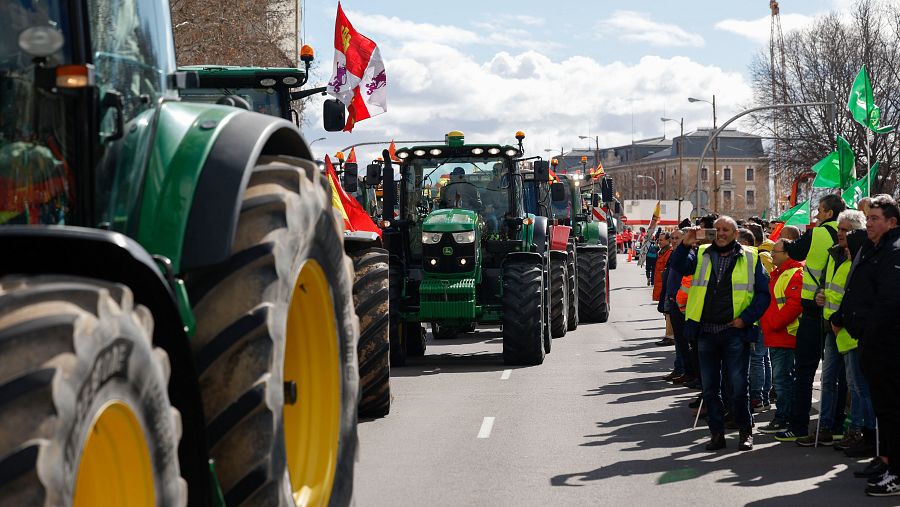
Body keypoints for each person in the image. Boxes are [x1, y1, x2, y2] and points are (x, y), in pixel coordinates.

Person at [677, 217, 771, 451]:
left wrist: (745, 319)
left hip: (735, 332)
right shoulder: (701, 254)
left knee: (739, 386)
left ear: (736, 233)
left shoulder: (751, 256)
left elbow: (763, 295)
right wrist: (684, 244)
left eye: (726, 230)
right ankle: (716, 433)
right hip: (706, 332)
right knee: (710, 388)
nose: (721, 233)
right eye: (717, 229)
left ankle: (745, 431)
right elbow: (678, 266)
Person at [830, 195, 900, 496]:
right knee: (885, 409)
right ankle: (886, 461)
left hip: (887, 344)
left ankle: (895, 473)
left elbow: (888, 302)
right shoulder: (874, 247)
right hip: (872, 342)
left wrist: (868, 332)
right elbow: (857, 286)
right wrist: (842, 314)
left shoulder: (894, 251)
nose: (868, 223)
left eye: (874, 219)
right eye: (867, 218)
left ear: (892, 223)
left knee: (893, 409)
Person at [776, 194, 845, 442]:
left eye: (819, 210)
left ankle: (798, 426)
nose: (816, 214)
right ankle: (836, 426)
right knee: (839, 374)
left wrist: (784, 239)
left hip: (814, 310)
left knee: (804, 370)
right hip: (838, 310)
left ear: (828, 213)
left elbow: (793, 251)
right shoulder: (850, 233)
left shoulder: (818, 233)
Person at [814, 210, 874, 452]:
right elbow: (829, 286)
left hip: (850, 330)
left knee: (855, 384)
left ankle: (856, 430)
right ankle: (826, 428)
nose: (840, 234)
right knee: (828, 381)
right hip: (831, 326)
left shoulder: (863, 257)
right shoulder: (834, 255)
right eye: (839, 229)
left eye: (846, 230)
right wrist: (821, 295)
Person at [758, 239, 803, 435]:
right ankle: (784, 417)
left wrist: (772, 323)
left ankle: (784, 418)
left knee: (783, 380)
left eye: (776, 251)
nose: (772, 254)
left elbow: (794, 305)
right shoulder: (779, 273)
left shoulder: (794, 273)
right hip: (777, 334)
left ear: (787, 253)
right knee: (782, 380)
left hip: (785, 335)